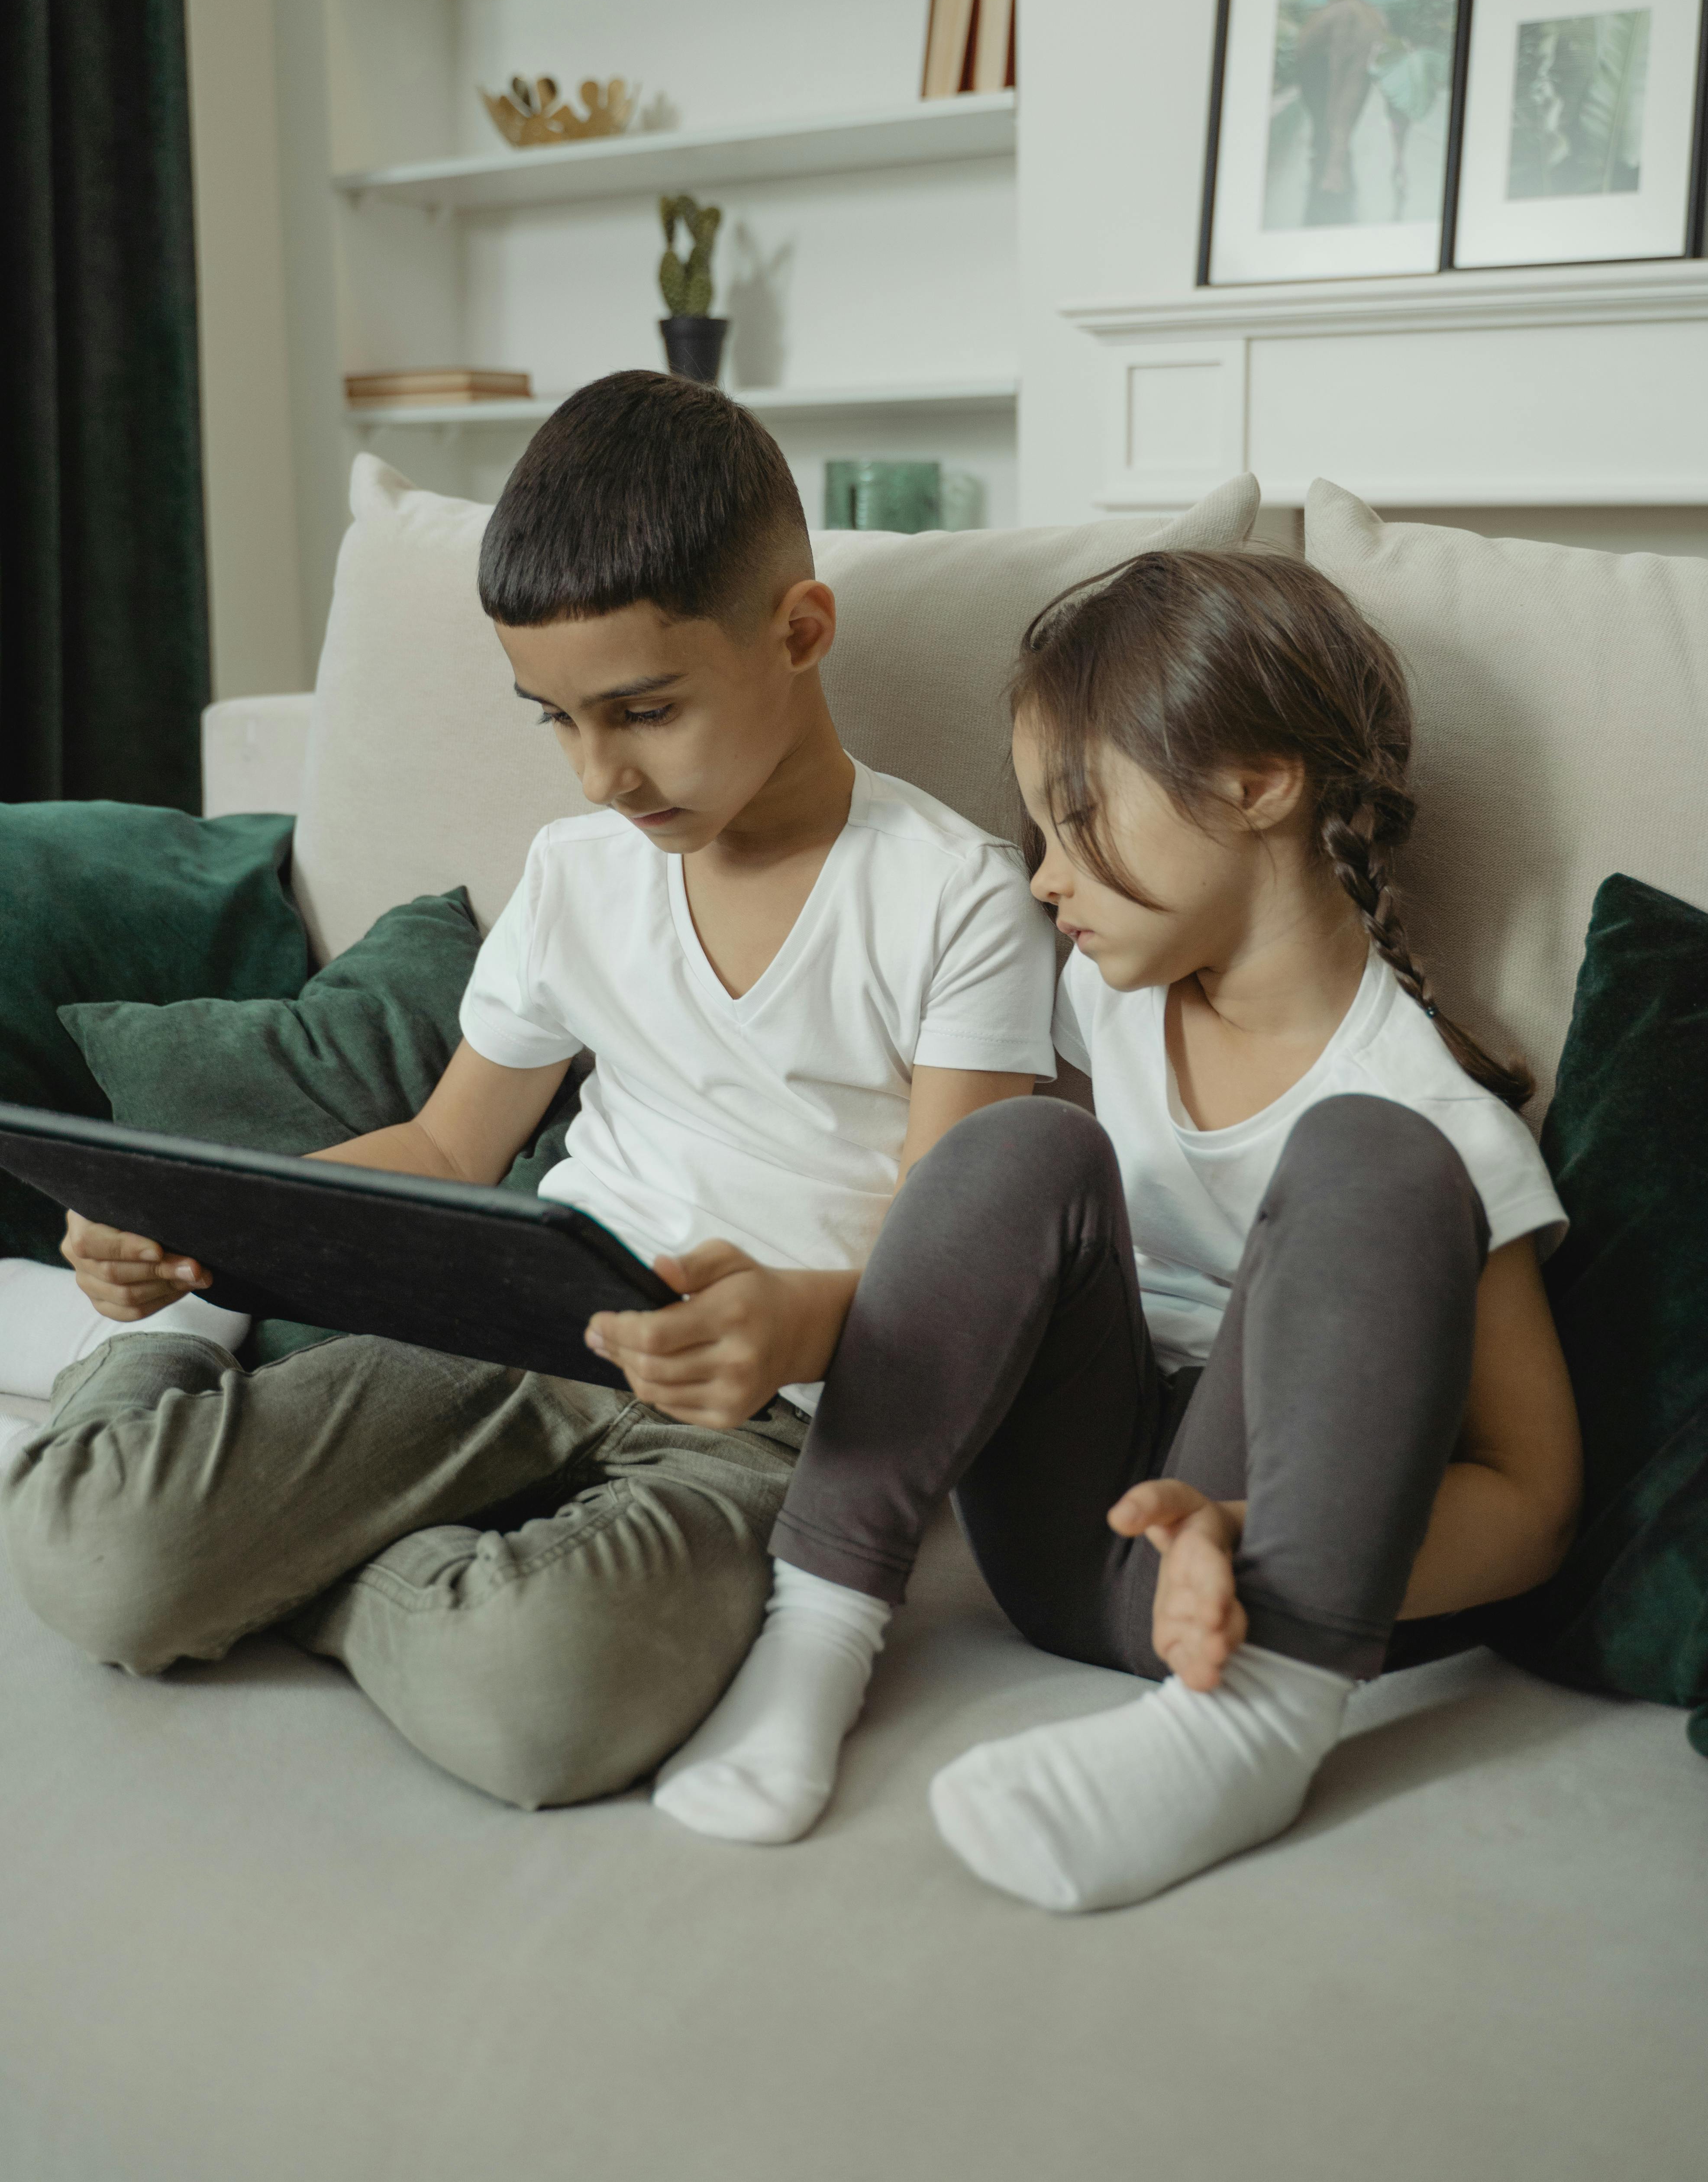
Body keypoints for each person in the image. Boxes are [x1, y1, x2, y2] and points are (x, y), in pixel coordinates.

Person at [0, 371, 1056, 1809]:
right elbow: (449, 1143)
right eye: (552, 721)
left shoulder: (956, 902)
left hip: (765, 1413)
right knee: (89, 1552)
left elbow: (960, 1262)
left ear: (798, 633)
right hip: (513, 1323)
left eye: (642, 710)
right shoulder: (577, 877)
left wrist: (792, 1316)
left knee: (539, 1706)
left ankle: (295, 1567)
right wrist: (200, 1239)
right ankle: (201, 1416)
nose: (600, 774)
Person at [637, 549, 1582, 1911]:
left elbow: (1537, 1509)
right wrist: (797, 1310)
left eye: (1076, 822)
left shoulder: (1435, 1118)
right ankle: (818, 1632)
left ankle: (1252, 1725)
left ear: (1257, 784)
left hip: (1246, 1578)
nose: (1043, 881)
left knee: (1373, 1155)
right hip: (1061, 1541)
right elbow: (992, 1258)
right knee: (1019, 1141)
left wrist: (1251, 1545)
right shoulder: (1104, 1002)